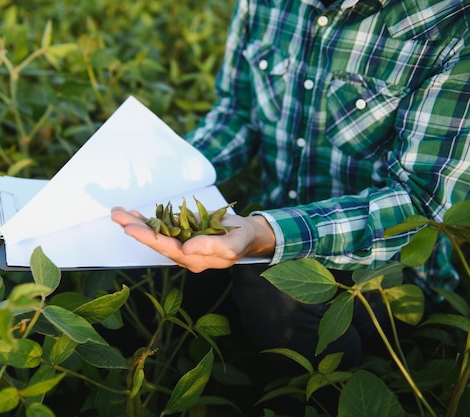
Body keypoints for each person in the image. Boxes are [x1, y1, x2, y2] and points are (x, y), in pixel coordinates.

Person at [112, 0, 470, 410]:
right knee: (141, 248)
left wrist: (266, 233)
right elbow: (237, 113)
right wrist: (165, 180)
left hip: (388, 272)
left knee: (271, 289)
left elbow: (419, 206)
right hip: (261, 226)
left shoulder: (453, 29)